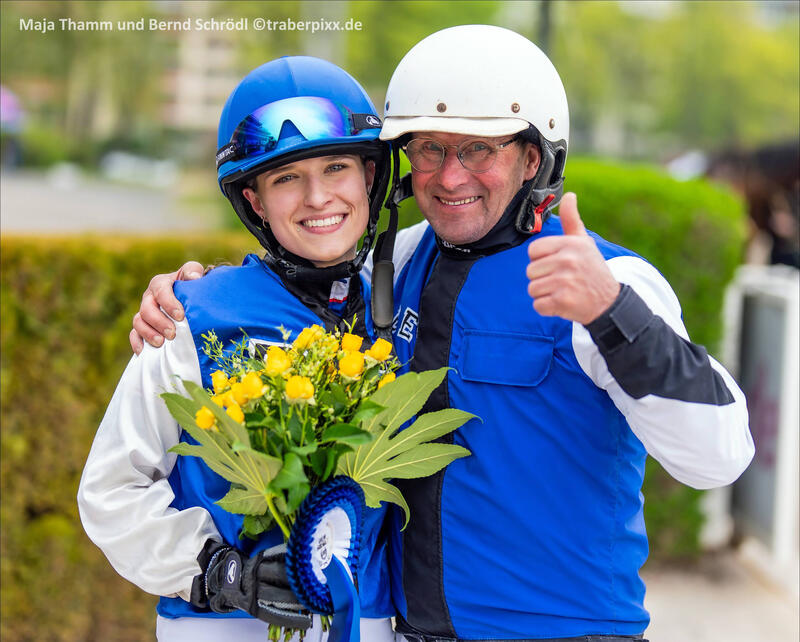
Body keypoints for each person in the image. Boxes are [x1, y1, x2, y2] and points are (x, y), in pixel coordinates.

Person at [131, 26, 754, 642]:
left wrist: (614, 312)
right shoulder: (396, 265)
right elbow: (296, 278)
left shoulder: (607, 278)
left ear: (533, 157)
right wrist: (187, 290)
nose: (450, 177)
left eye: (479, 149)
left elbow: (718, 457)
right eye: (429, 149)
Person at [78, 56, 398, 642]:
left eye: (336, 167)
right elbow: (109, 490)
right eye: (285, 179)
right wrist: (217, 573)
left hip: (373, 623)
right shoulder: (187, 318)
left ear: (370, 178)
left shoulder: (405, 304)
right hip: (224, 628)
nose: (317, 197)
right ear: (253, 200)